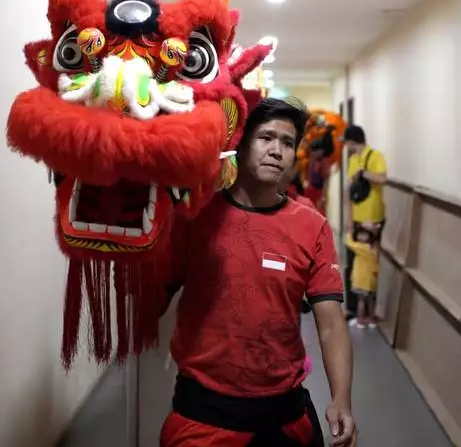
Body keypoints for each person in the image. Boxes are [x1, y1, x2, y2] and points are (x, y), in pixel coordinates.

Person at [161, 97, 358, 446]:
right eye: (265, 138)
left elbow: (330, 324)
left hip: (284, 415)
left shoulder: (311, 226)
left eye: (286, 143)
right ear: (241, 144)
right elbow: (155, 296)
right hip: (204, 414)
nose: (277, 150)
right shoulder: (197, 217)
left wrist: (341, 398)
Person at [342, 125, 387, 321]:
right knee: (352, 266)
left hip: (373, 220)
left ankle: (369, 312)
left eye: (347, 142)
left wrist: (364, 173)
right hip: (357, 219)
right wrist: (348, 219)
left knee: (370, 266)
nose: (346, 146)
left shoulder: (375, 156)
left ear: (354, 141)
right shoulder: (352, 159)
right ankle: (352, 309)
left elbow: (382, 177)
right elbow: (349, 191)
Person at [342, 225, 380, 328]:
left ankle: (360, 320)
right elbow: (375, 265)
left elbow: (349, 243)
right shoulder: (373, 248)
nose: (361, 237)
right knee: (371, 300)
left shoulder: (362, 248)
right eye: (360, 234)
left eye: (364, 235)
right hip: (371, 280)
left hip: (361, 280)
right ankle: (371, 319)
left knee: (361, 301)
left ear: (369, 237)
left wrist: (349, 231)